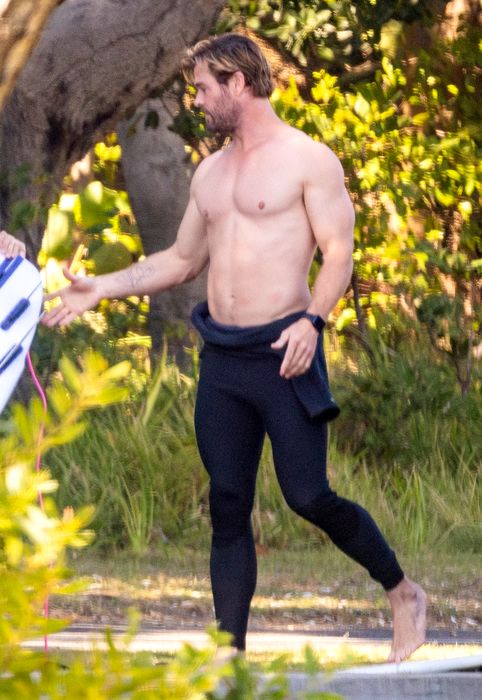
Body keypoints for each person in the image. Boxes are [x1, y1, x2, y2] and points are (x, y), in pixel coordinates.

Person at [40, 33, 426, 662]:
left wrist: (314, 323)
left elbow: (339, 256)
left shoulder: (308, 160)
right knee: (227, 502)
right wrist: (101, 287)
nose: (196, 100)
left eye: (203, 88)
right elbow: (182, 259)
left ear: (238, 83)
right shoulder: (211, 172)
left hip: (285, 352)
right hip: (222, 358)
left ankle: (403, 591)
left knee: (308, 496)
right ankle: (229, 653)